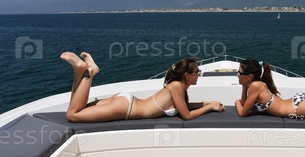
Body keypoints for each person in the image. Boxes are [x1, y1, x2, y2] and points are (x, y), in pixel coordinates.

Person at [61, 52, 224, 122]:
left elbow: (184, 106)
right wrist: (208, 108)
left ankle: (79, 71)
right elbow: (186, 115)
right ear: (187, 75)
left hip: (125, 102)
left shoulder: (177, 87)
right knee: (72, 115)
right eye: (197, 72)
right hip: (125, 108)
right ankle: (89, 73)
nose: (199, 74)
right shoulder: (177, 87)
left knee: (77, 108)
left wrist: (208, 103)